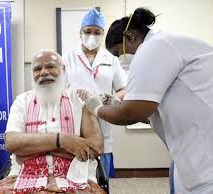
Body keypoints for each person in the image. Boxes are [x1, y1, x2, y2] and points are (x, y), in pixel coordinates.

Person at [84, 7, 213, 194]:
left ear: (130, 37)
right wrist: (115, 104)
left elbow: (131, 113)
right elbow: (151, 112)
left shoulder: (155, 47)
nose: (120, 59)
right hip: (190, 152)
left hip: (204, 156)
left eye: (118, 53)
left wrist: (96, 108)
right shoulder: (165, 44)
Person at [0, 50, 106, 194]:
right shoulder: (22, 101)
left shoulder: (79, 100)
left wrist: (31, 149)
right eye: (37, 69)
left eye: (50, 66)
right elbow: (11, 143)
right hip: (25, 174)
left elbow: (95, 147)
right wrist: (63, 141)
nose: (43, 72)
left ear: (63, 70)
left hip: (74, 175)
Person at [63, 8, 127, 178]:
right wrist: (74, 95)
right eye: (88, 31)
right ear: (80, 33)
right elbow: (60, 91)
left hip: (103, 119)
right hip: (75, 121)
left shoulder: (111, 59)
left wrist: (110, 98)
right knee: (75, 176)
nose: (92, 35)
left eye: (97, 32)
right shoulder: (67, 58)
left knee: (101, 177)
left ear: (103, 34)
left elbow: (123, 89)